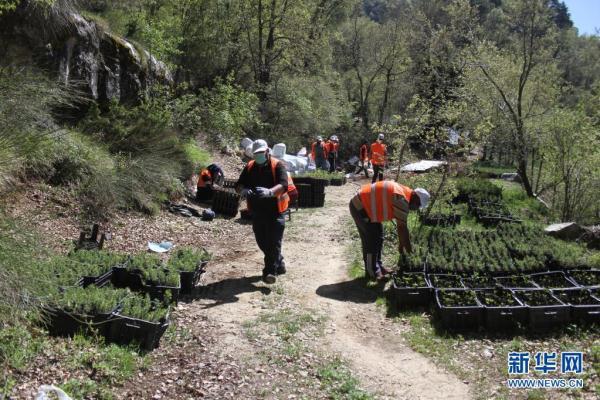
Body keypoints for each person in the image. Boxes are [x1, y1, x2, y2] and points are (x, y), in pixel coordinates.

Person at [349, 180, 430, 280]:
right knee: (371, 240)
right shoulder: (402, 199)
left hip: (367, 206)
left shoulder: (405, 192)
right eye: (418, 204)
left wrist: (401, 244)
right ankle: (372, 272)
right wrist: (408, 250)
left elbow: (401, 227)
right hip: (360, 206)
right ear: (415, 196)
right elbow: (402, 228)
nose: (416, 208)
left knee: (379, 236)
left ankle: (378, 266)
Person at [236, 139, 289, 284]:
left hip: (276, 210)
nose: (258, 155)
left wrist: (270, 192)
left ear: (267, 151)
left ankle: (269, 272)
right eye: (256, 153)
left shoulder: (277, 165)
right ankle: (279, 262)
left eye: (261, 153)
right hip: (258, 211)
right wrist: (244, 190)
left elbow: (284, 185)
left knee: (273, 242)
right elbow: (239, 184)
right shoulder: (250, 166)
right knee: (262, 242)